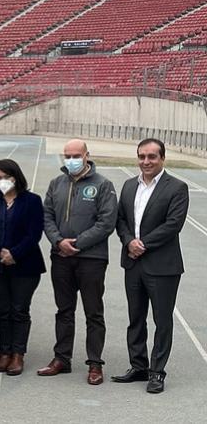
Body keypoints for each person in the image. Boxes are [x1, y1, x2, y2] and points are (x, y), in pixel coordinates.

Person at [112, 139, 189, 394]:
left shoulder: (177, 188)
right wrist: (128, 242)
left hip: (162, 266)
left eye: (152, 157)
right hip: (133, 264)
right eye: (142, 156)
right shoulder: (128, 186)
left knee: (162, 320)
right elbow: (121, 219)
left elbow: (173, 224)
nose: (146, 162)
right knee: (135, 318)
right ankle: (138, 366)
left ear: (162, 159)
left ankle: (157, 371)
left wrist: (142, 244)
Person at [38, 139, 117, 385]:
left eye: (76, 155)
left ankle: (95, 363)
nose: (71, 159)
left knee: (93, 312)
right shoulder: (56, 184)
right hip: (60, 257)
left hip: (91, 259)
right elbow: (47, 216)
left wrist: (78, 243)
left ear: (86, 156)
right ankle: (62, 358)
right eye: (67, 155)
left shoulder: (103, 185)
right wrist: (58, 241)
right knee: (64, 310)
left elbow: (107, 222)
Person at [0, 159, 45, 375]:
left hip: (25, 266)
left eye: (6, 177)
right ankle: (4, 352)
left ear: (16, 178)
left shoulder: (32, 201)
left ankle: (18, 354)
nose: (2, 181)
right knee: (2, 310)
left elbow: (34, 233)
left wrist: (14, 253)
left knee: (19, 310)